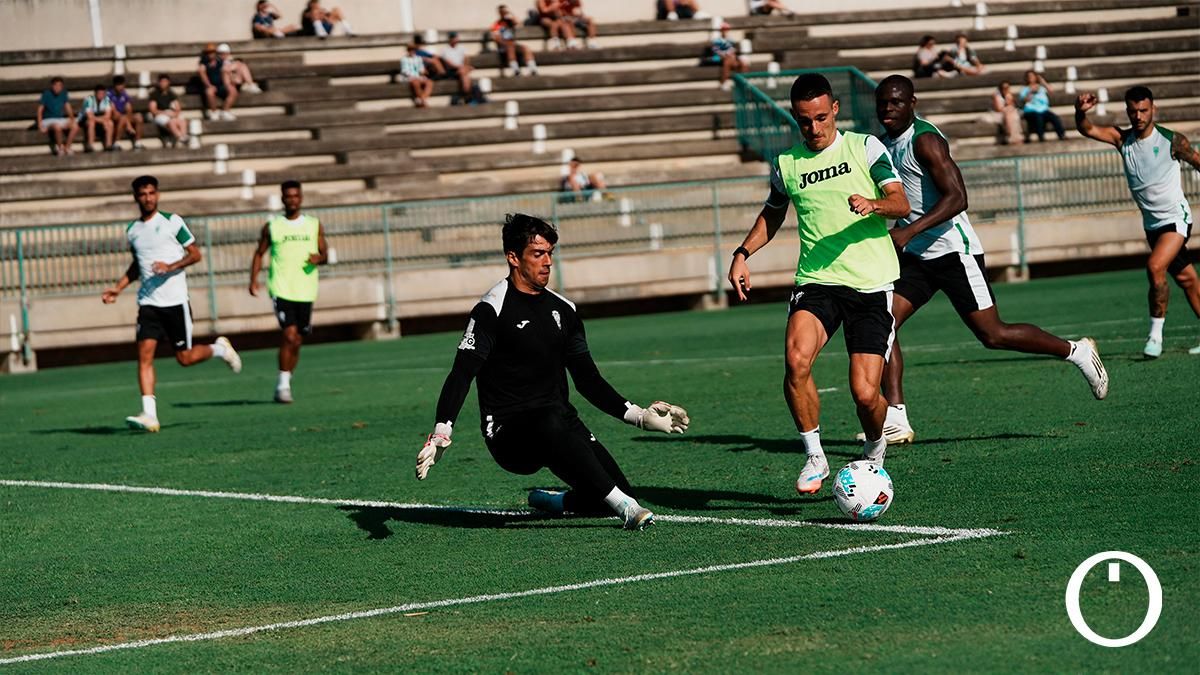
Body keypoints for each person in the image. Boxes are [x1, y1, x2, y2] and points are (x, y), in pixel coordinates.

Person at [867, 75, 1107, 444]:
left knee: (994, 335)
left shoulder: (926, 140)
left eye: (896, 102)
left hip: (953, 252)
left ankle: (1076, 351)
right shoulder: (882, 145)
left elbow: (958, 198)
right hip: (916, 257)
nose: (887, 109)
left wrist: (908, 231)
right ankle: (896, 417)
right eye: (882, 103)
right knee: (882, 322)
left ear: (913, 103)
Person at [416, 213, 689, 530]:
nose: (547, 262)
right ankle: (626, 508)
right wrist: (441, 432)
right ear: (513, 258)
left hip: (559, 422)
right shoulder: (491, 308)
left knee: (599, 487)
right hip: (508, 435)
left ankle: (555, 501)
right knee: (557, 430)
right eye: (537, 254)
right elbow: (461, 374)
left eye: (550, 254)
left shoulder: (565, 310)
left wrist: (640, 416)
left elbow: (588, 381)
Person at [726, 73, 911, 495]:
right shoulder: (787, 164)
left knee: (866, 395)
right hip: (817, 280)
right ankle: (814, 453)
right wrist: (742, 253)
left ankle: (876, 448)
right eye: (804, 120)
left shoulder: (865, 147)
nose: (813, 128)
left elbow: (901, 203)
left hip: (870, 282)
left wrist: (874, 205)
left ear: (836, 111)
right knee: (796, 361)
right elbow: (772, 214)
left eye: (821, 118)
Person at [101, 175, 242, 432]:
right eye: (143, 194)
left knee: (185, 359)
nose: (148, 198)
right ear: (136, 197)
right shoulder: (132, 230)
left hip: (175, 302)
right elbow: (138, 265)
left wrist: (170, 266)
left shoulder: (172, 222)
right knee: (144, 357)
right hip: (148, 304)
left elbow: (195, 254)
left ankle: (220, 349)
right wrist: (118, 288)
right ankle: (149, 415)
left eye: (152, 193)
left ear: (158, 194)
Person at [1075, 85, 1200, 357]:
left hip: (1176, 220)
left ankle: (1154, 338)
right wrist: (1079, 111)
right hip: (1153, 226)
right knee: (1186, 278)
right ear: (1128, 112)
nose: (1139, 116)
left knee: (1155, 267)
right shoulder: (1123, 140)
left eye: (1144, 110)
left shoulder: (1172, 140)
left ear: (1153, 109)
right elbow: (1088, 129)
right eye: (1133, 111)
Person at [249, 180, 328, 403]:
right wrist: (253, 280)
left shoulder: (314, 224)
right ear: (282, 199)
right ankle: (283, 385)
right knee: (289, 334)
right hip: (281, 288)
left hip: (306, 289)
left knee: (297, 340)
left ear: (300, 198)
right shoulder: (272, 226)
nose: (292, 199)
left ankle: (285, 380)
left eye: (295, 196)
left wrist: (319, 258)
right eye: (288, 196)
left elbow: (325, 253)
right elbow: (259, 253)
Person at [1018, 70, 1065, 142]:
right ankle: (1041, 137)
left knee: (1054, 118)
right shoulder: (1024, 89)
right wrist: (1030, 92)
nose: (1031, 78)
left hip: (1043, 110)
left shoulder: (1041, 88)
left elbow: (1051, 91)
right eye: (1029, 77)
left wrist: (1043, 82)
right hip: (1030, 111)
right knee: (1039, 117)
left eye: (1032, 76)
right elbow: (1025, 100)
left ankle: (1061, 135)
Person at [37, 76, 79, 156]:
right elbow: (40, 110)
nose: (58, 88)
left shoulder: (64, 93)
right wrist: (40, 125)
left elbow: (67, 107)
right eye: (56, 85)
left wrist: (72, 118)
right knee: (57, 127)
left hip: (59, 119)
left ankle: (67, 147)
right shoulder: (46, 94)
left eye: (60, 86)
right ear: (52, 86)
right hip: (48, 120)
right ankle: (60, 148)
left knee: (75, 126)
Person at [491, 5, 538, 76]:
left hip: (512, 44)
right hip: (503, 47)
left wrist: (510, 13)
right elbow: (496, 38)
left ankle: (533, 70)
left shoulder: (510, 22)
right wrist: (507, 43)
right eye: (502, 11)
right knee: (510, 47)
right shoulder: (496, 24)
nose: (504, 13)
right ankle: (516, 71)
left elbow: (519, 23)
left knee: (526, 48)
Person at [439, 32, 485, 105]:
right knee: (465, 74)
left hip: (461, 70)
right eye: (453, 38)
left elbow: (466, 59)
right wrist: (463, 67)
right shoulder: (445, 50)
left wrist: (466, 66)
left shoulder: (461, 48)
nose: (455, 39)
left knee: (464, 75)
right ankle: (468, 97)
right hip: (451, 71)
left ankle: (467, 97)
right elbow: (449, 64)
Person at [199, 43, 238, 121]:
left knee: (233, 91)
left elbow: (228, 71)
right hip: (211, 85)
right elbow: (203, 77)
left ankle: (225, 111)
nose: (210, 54)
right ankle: (214, 112)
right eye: (208, 52)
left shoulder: (221, 62)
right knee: (209, 91)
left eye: (212, 52)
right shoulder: (203, 65)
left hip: (222, 85)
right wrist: (209, 85)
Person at [148, 74, 188, 147]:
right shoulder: (154, 94)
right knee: (171, 122)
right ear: (159, 83)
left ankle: (183, 136)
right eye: (162, 82)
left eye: (165, 81)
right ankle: (181, 138)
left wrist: (175, 114)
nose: (164, 83)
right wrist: (165, 113)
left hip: (170, 113)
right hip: (159, 115)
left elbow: (178, 108)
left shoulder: (171, 93)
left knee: (182, 120)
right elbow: (153, 110)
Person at [107, 75, 145, 150]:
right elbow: (113, 111)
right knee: (123, 118)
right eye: (118, 85)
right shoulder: (109, 94)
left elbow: (129, 108)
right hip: (113, 116)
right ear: (114, 85)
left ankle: (138, 142)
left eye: (122, 85)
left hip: (125, 116)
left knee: (139, 117)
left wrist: (128, 122)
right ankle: (116, 143)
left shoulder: (124, 94)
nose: (120, 87)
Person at [708, 21, 747, 91]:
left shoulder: (730, 40)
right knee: (727, 62)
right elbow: (716, 51)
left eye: (726, 29)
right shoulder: (717, 40)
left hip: (729, 58)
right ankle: (723, 82)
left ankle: (741, 82)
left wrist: (730, 54)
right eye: (724, 29)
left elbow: (732, 49)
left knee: (742, 63)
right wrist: (726, 54)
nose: (725, 31)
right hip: (718, 58)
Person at [77, 83, 115, 152]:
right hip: (84, 121)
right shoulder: (88, 100)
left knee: (110, 123)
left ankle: (108, 145)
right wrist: (103, 120)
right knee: (91, 123)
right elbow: (89, 117)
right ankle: (90, 146)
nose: (101, 95)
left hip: (98, 119)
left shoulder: (107, 100)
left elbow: (108, 116)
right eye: (99, 93)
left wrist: (103, 120)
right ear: (95, 93)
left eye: (102, 94)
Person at [991, 81, 1023, 146]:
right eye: (1004, 88)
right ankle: (1013, 137)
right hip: (1000, 113)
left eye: (1007, 87)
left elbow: (1013, 105)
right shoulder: (997, 96)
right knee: (1009, 115)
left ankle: (1015, 136)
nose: (1006, 89)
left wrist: (1008, 99)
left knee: (1014, 116)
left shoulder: (1009, 95)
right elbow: (998, 109)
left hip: (1010, 112)